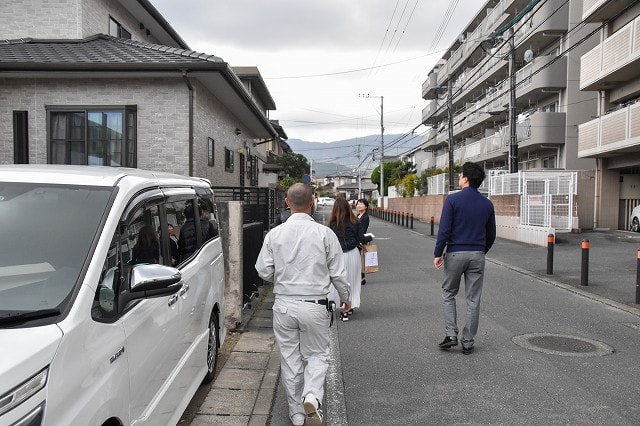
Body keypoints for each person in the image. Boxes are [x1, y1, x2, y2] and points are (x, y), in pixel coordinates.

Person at [255, 183, 351, 426]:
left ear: (287, 202)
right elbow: (338, 273)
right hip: (315, 304)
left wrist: (283, 274)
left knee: (290, 359)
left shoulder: (274, 235)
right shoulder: (324, 234)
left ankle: (297, 414)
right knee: (317, 355)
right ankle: (312, 397)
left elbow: (263, 270)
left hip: (285, 304)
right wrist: (345, 297)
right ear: (312, 202)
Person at [433, 162, 496, 355]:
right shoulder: (487, 203)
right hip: (477, 254)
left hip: (455, 253)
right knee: (473, 299)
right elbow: (491, 233)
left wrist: (438, 253)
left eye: (460, 175)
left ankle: (451, 334)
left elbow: (444, 230)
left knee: (448, 293)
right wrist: (480, 251)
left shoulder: (453, 200)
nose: (459, 178)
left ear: (466, 179)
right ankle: (468, 341)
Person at [328, 197, 371, 321]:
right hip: (353, 254)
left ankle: (343, 306)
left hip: (337, 256)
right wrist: (369, 239)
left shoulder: (332, 224)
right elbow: (361, 238)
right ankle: (348, 307)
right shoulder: (355, 221)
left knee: (339, 281)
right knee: (352, 280)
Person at [355, 198, 371, 285]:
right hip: (357, 239)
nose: (359, 205)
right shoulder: (358, 215)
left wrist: (360, 240)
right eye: (358, 204)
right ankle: (361, 277)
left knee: (360, 259)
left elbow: (363, 230)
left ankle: (362, 278)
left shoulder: (365, 217)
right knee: (359, 259)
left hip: (360, 240)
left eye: (361, 204)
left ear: (366, 206)